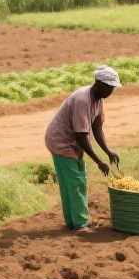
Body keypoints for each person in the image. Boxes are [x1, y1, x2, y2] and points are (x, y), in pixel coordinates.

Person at [44, 66, 121, 231]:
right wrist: (99, 161)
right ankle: (80, 223)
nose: (111, 91)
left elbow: (97, 127)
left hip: (71, 142)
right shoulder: (83, 100)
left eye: (113, 88)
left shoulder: (98, 100)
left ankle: (73, 221)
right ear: (98, 83)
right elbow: (81, 135)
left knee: (71, 182)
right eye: (108, 87)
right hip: (61, 141)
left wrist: (108, 152)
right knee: (77, 182)